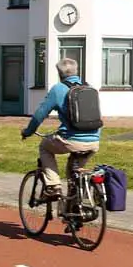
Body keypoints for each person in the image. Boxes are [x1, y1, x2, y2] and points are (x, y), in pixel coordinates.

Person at [20, 57, 101, 200]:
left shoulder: (58, 89)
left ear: (59, 73)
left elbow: (39, 115)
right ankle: (75, 206)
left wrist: (28, 132)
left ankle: (53, 186)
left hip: (72, 140)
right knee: (74, 172)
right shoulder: (90, 88)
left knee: (45, 146)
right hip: (94, 140)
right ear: (77, 71)